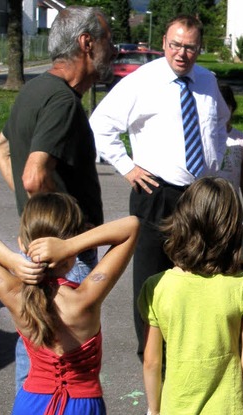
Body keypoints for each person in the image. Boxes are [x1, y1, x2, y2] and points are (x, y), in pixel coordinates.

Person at [90, 14, 231, 353]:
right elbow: (99, 125)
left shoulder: (208, 81)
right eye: (175, 45)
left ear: (200, 48)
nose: (181, 53)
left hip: (199, 195)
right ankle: (152, 354)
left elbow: (221, 122)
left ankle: (191, 346)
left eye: (190, 47)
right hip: (155, 191)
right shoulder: (143, 81)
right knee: (153, 277)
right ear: (165, 43)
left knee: (198, 273)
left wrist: (214, 169)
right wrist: (127, 167)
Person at [0, 5, 116, 390]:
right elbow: (33, 175)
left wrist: (35, 214)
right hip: (66, 257)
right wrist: (62, 234)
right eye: (106, 41)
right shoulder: (63, 101)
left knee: (34, 359)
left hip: (42, 253)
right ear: (86, 44)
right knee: (66, 373)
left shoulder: (33, 89)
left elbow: (2, 149)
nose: (111, 50)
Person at [0, 193, 138, 415]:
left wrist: (13, 261)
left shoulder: (15, 296)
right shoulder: (85, 299)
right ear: (70, 250)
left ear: (22, 243)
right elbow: (132, 226)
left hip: (30, 408)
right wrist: (71, 245)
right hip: (81, 411)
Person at [138, 177, 243, 415]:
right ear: (230, 229)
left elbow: (152, 361)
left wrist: (155, 409)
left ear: (182, 221)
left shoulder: (157, 286)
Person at [218, 84, 243, 232]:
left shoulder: (242, 140)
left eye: (225, 107)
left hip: (231, 207)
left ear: (232, 107)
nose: (220, 112)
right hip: (206, 204)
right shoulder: (205, 138)